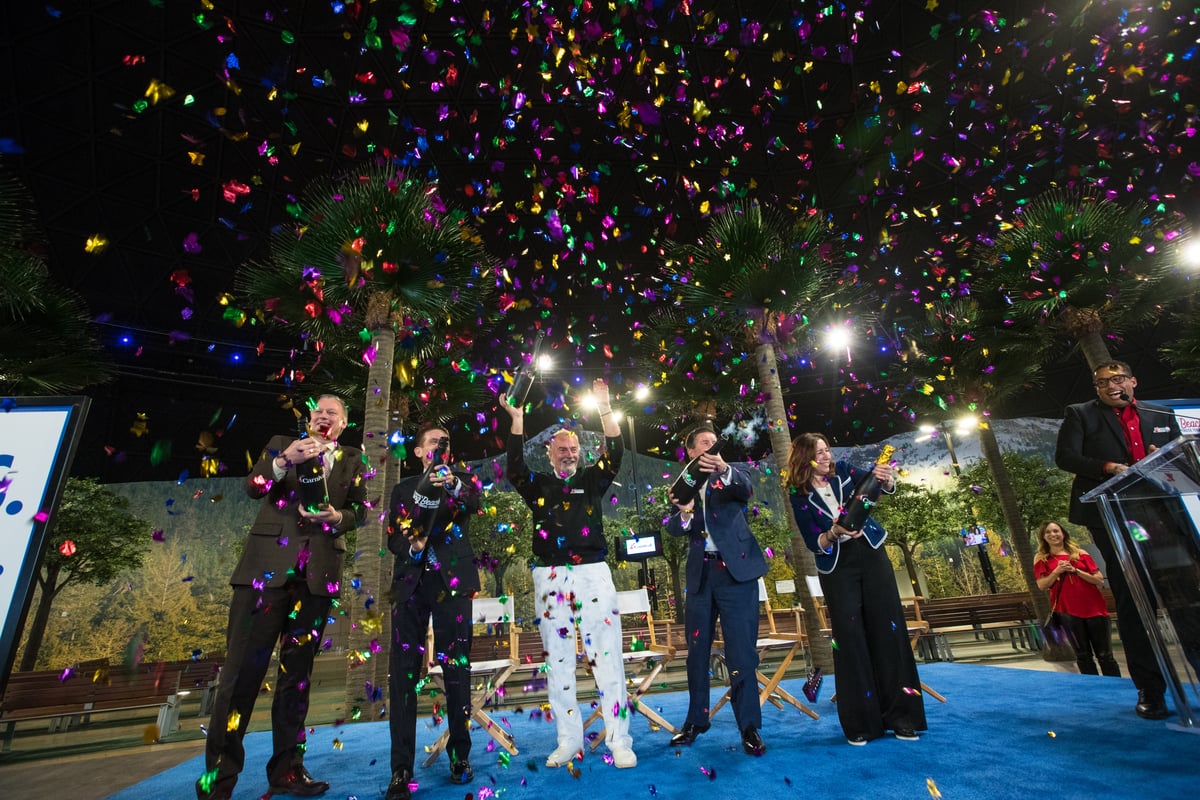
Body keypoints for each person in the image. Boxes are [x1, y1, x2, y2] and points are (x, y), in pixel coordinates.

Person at [198, 395, 367, 800]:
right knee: (239, 679)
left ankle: (287, 771)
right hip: (264, 577)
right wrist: (282, 462)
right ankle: (218, 781)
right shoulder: (280, 444)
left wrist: (337, 518)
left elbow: (360, 511)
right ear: (310, 418)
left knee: (298, 681)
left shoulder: (353, 460)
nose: (324, 417)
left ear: (343, 424)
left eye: (333, 414)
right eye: (319, 412)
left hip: (316, 580)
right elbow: (253, 487)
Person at [499, 378, 637, 769]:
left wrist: (606, 407)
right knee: (558, 662)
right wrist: (518, 420)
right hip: (549, 577)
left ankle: (619, 740)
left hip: (593, 573)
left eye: (574, 449)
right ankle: (567, 740)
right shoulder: (537, 485)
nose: (569, 454)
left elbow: (617, 451)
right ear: (549, 451)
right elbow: (513, 467)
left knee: (606, 658)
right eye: (562, 449)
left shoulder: (592, 480)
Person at [1054, 360, 1178, 720]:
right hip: (1112, 515)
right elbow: (1066, 457)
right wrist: (1108, 468)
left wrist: (1163, 458)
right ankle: (1150, 690)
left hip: (1164, 515)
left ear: (1133, 381)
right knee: (1133, 599)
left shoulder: (1160, 413)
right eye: (1102, 382)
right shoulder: (1080, 415)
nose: (1111, 385)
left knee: (1182, 596)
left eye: (1118, 378)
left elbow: (1177, 455)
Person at [785, 432, 926, 746]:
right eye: (818, 452)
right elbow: (813, 543)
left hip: (872, 555)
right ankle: (861, 723)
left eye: (827, 450)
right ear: (803, 458)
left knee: (888, 633)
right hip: (837, 567)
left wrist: (886, 480)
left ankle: (902, 718)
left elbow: (881, 487)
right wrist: (834, 531)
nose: (826, 456)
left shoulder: (846, 471)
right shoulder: (798, 495)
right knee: (850, 641)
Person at [384, 424, 481, 800]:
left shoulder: (462, 482)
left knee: (456, 669)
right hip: (409, 586)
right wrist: (412, 547)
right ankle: (401, 769)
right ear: (420, 452)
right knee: (402, 676)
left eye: (446, 441)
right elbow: (393, 537)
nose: (441, 446)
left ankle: (460, 756)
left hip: (452, 583)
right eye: (433, 442)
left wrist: (453, 484)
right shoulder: (402, 489)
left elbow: (473, 502)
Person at [665, 422, 768, 755]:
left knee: (741, 653)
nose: (711, 448)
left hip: (737, 575)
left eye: (715, 443)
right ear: (692, 452)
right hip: (700, 577)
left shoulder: (731, 474)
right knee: (697, 654)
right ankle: (696, 721)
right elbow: (672, 528)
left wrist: (723, 469)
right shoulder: (684, 483)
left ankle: (749, 726)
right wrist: (683, 514)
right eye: (704, 443)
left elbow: (746, 490)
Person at [1033, 521, 1120, 677]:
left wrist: (1076, 570)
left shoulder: (1081, 554)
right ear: (1043, 537)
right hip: (1067, 611)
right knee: (1083, 656)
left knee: (1105, 655)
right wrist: (1058, 571)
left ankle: (1115, 685)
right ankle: (1092, 688)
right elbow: (1042, 585)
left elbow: (1099, 579)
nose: (1053, 535)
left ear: (1063, 533)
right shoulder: (1042, 558)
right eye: (1048, 532)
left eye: (1056, 531)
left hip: (1094, 609)